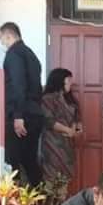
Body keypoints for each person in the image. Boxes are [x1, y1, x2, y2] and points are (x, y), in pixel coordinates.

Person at [0, 21, 45, 187]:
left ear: (8, 35)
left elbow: (18, 85)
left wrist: (18, 116)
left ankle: (14, 201)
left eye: (1, 39)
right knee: (29, 160)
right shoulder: (31, 55)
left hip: (21, 115)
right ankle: (41, 198)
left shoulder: (14, 54)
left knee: (13, 161)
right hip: (35, 113)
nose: (2, 44)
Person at [40, 68, 82, 197]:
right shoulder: (47, 99)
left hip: (67, 145)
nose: (70, 83)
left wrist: (76, 130)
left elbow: (77, 120)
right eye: (68, 80)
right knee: (51, 181)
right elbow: (49, 121)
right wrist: (67, 130)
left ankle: (61, 203)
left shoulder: (70, 100)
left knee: (64, 182)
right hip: (52, 144)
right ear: (60, 81)